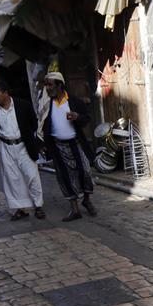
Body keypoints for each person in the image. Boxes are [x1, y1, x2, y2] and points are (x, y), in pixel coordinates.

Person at [41, 72, 96, 222]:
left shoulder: (74, 101)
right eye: (46, 85)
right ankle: (75, 209)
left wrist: (77, 117)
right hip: (57, 146)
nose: (47, 88)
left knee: (85, 172)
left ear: (60, 85)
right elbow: (42, 124)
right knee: (65, 177)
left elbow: (87, 119)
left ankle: (86, 199)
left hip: (76, 144)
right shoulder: (47, 105)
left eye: (50, 84)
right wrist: (43, 144)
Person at [0, 80, 46, 220]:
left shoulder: (22, 105)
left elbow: (33, 123)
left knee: (32, 176)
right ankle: (21, 209)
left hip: (24, 146)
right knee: (12, 179)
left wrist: (35, 142)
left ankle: (38, 206)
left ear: (6, 93)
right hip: (5, 147)